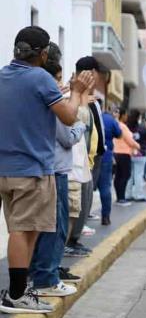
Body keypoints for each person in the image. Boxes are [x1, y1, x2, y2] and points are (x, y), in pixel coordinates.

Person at [0, 26, 94, 313]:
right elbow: (67, 118)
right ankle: (17, 294)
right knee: (23, 230)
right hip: (33, 168)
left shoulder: (3, 75)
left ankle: (21, 290)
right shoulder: (41, 78)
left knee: (22, 229)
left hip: (5, 168)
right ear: (42, 54)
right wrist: (77, 94)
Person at [28, 44, 86, 297]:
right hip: (56, 170)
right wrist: (81, 124)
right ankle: (46, 278)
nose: (61, 84)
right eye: (59, 79)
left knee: (36, 228)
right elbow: (67, 135)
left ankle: (36, 276)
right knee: (55, 227)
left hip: (37, 168)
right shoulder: (55, 103)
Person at [67, 56, 106, 253]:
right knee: (77, 205)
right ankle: (70, 242)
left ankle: (74, 240)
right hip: (80, 161)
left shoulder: (93, 99)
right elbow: (80, 126)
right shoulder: (74, 97)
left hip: (91, 158)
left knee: (84, 203)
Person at [112, 108, 140, 207]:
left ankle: (119, 197)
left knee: (119, 176)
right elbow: (129, 140)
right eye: (126, 115)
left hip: (116, 152)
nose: (127, 117)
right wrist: (138, 146)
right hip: (124, 153)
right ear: (122, 115)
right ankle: (121, 198)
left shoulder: (116, 125)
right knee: (125, 175)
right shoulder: (123, 126)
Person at [99, 109, 122, 225]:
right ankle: (105, 217)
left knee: (86, 189)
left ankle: (83, 220)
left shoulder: (93, 114)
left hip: (90, 156)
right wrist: (116, 121)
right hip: (106, 156)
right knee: (105, 187)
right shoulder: (111, 120)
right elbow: (119, 134)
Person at [125, 110, 146, 202]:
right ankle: (139, 195)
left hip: (129, 153)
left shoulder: (126, 127)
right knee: (139, 175)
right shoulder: (142, 128)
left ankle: (127, 195)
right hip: (140, 153)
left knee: (129, 176)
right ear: (139, 117)